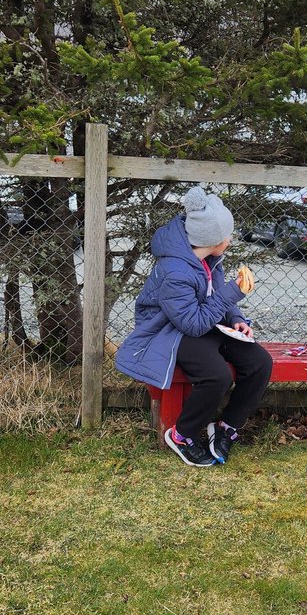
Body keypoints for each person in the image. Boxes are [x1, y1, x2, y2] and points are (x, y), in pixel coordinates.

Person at [115, 186, 273, 466]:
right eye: (228, 235)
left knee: (259, 362)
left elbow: (215, 294)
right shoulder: (175, 271)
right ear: (214, 240)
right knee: (217, 376)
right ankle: (182, 435)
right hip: (169, 332)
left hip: (201, 321)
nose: (231, 239)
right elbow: (194, 325)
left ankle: (226, 427)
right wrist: (234, 293)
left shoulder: (209, 258)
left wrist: (236, 319)